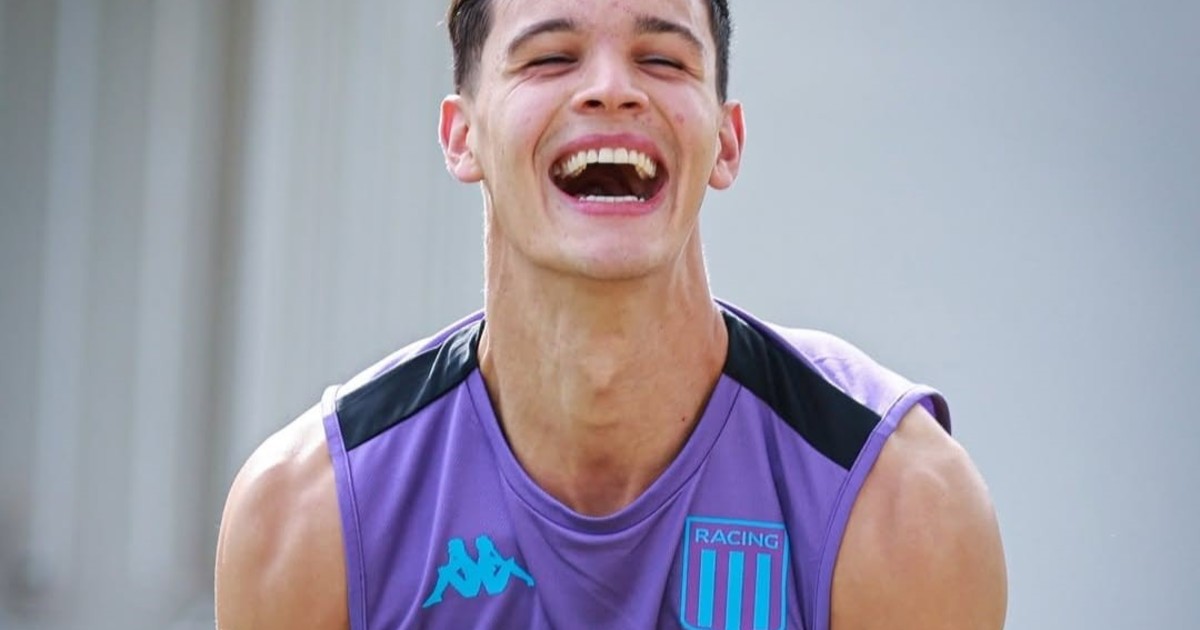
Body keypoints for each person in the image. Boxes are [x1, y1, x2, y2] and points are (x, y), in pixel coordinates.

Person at [214, 0, 1008, 628]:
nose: (611, 88)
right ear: (461, 138)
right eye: (550, 57)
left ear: (727, 142)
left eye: (661, 59)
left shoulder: (895, 499)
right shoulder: (307, 518)